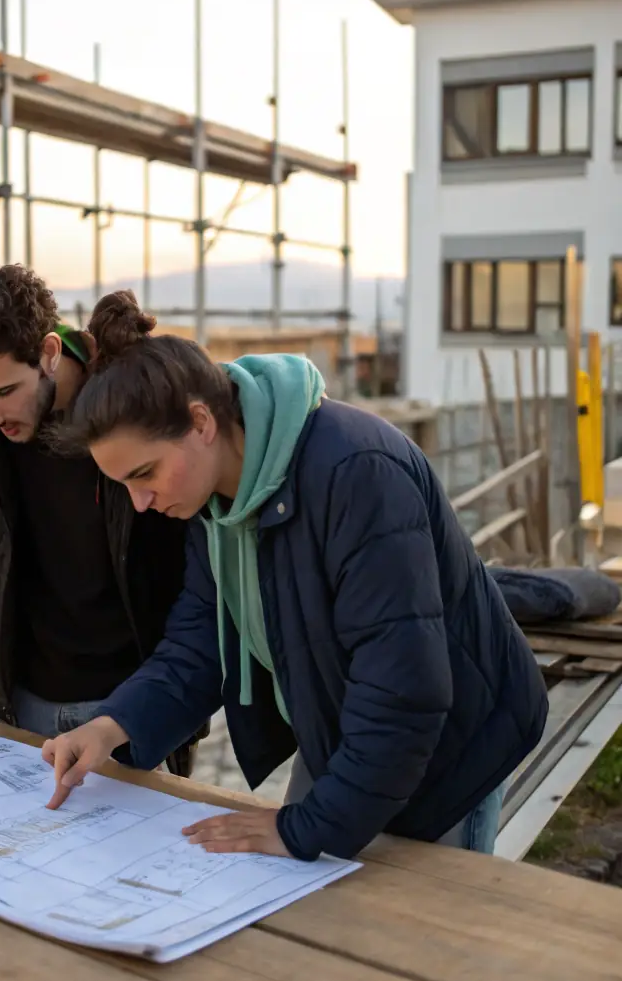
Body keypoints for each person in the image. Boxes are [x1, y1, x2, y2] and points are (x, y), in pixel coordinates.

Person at [41, 291, 548, 861]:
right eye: (124, 485)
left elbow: (406, 690)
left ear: (201, 421)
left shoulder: (357, 474)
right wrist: (113, 725)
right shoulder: (216, 502)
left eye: (145, 474)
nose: (139, 502)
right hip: (347, 719)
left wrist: (303, 828)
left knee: (430, 933)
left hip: (456, 742)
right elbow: (200, 643)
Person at [0, 264, 202, 775]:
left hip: (128, 714)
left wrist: (154, 706)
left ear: (50, 353)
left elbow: (199, 578)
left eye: (2, 392)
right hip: (16, 707)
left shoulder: (131, 402)